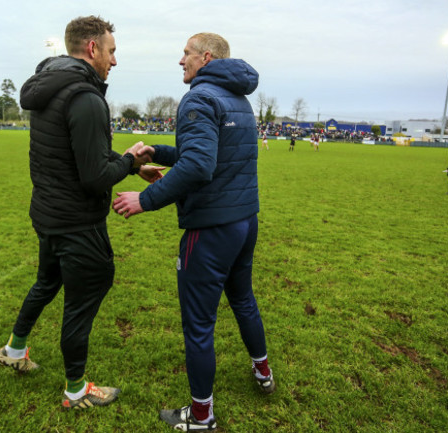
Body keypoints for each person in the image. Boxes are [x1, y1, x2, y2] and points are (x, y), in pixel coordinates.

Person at [0, 15, 162, 411]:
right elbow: (94, 176)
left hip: (49, 213)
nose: (114, 61)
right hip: (76, 220)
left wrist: (134, 167)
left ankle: (15, 350)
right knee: (84, 297)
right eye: (112, 51)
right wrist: (130, 158)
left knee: (46, 282)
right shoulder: (85, 97)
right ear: (92, 49)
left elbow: (80, 156)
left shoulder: (53, 86)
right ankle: (76, 389)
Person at [113, 32, 275, 431]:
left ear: (205, 57)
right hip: (244, 221)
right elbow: (210, 155)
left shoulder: (200, 97)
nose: (179, 60)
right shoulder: (238, 98)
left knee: (199, 324)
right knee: (243, 300)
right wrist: (160, 152)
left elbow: (200, 166)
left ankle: (201, 417)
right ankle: (263, 373)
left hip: (211, 228)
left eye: (185, 53)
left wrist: (145, 200)